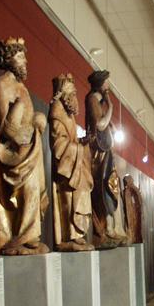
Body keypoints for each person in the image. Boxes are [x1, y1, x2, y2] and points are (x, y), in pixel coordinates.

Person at [0, 37, 49, 255]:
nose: (25, 62)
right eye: (20, 57)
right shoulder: (3, 84)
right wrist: (24, 128)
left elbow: (27, 118)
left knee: (34, 190)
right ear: (8, 59)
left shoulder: (22, 88)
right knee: (27, 190)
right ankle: (21, 236)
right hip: (15, 153)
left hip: (30, 148)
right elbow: (6, 128)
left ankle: (30, 236)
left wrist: (37, 120)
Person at [49, 74, 94, 252]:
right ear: (64, 94)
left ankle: (77, 233)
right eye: (72, 92)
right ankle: (69, 236)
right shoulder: (57, 112)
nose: (75, 96)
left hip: (76, 163)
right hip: (66, 167)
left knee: (82, 192)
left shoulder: (69, 114)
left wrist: (82, 143)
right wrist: (77, 148)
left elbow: (72, 140)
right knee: (69, 197)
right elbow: (59, 144)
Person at [85, 70, 127, 248]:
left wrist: (111, 123)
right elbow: (100, 124)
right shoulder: (92, 99)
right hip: (99, 151)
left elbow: (106, 123)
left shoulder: (100, 101)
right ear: (100, 84)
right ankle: (106, 228)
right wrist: (111, 108)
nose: (108, 86)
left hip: (106, 150)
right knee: (104, 187)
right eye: (107, 83)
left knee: (111, 186)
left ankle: (112, 227)